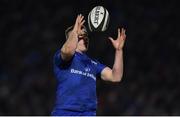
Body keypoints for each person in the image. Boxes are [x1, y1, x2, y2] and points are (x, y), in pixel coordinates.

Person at [51, 14, 126, 116]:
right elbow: (68, 50)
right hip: (65, 112)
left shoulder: (93, 63)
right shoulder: (62, 56)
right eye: (81, 35)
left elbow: (116, 77)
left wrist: (119, 51)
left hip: (88, 113)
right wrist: (75, 32)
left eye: (86, 35)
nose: (85, 37)